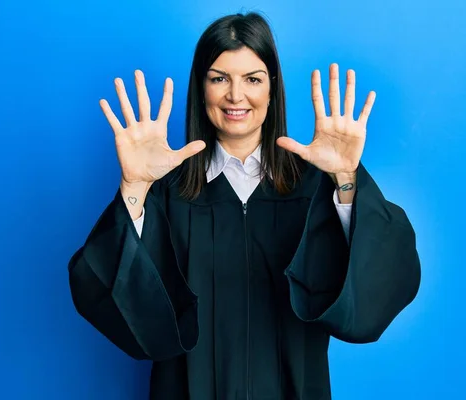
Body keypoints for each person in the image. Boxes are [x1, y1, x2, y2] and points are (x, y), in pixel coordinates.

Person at [68, 11, 421, 400]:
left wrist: (346, 180)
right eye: (219, 78)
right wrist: (134, 188)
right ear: (201, 89)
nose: (236, 95)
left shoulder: (315, 186)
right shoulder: (168, 191)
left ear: (273, 88)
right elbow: (116, 299)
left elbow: (376, 292)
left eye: (252, 79)